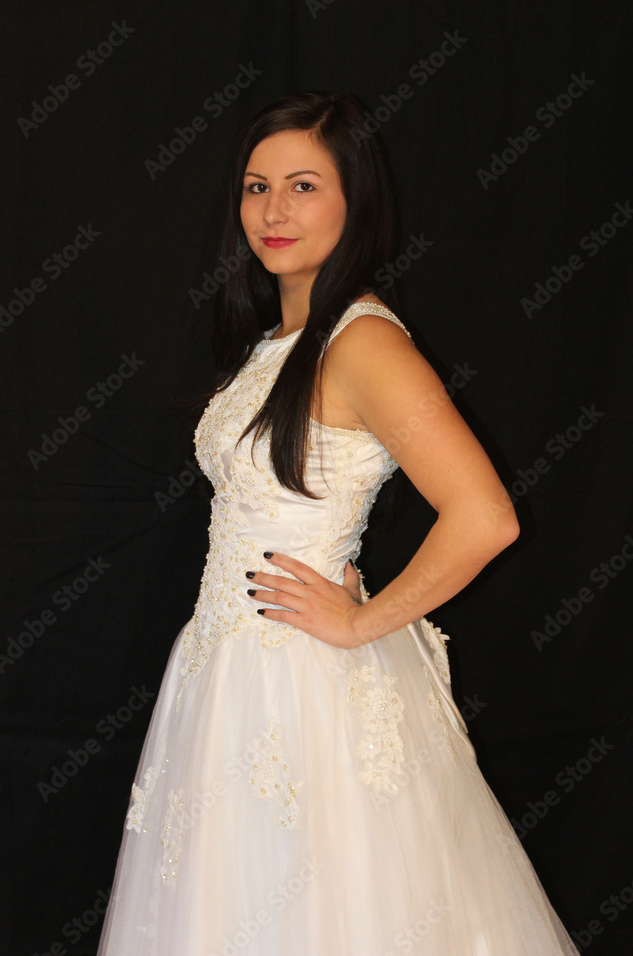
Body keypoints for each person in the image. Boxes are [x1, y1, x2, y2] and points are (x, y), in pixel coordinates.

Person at [96, 91, 579, 955]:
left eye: (304, 186)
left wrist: (361, 619)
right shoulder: (275, 343)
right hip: (225, 671)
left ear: (356, 199)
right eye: (256, 185)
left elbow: (485, 516)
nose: (273, 210)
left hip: (302, 686)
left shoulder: (362, 343)